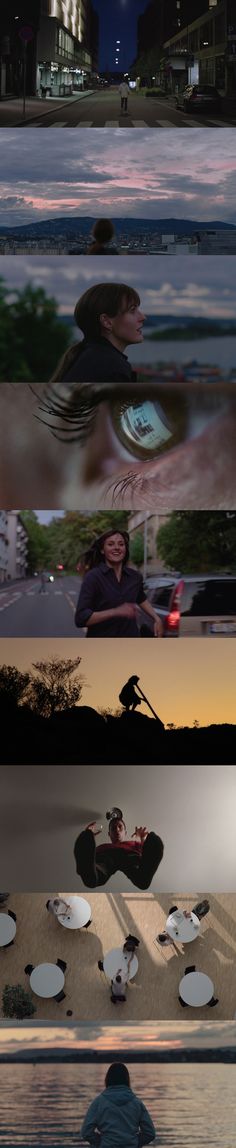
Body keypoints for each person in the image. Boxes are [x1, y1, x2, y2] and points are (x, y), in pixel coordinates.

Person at [49, 283, 145, 384]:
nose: (143, 317)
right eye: (132, 310)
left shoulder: (86, 357)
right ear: (107, 322)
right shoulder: (111, 367)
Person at [74, 530, 163, 637]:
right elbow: (80, 619)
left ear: (125, 549)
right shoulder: (93, 577)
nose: (117, 547)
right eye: (110, 544)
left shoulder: (135, 577)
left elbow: (141, 598)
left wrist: (156, 618)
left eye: (121, 544)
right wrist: (116, 611)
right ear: (102, 550)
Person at [74, 812, 164, 889]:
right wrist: (88, 836)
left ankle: (143, 878)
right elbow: (92, 855)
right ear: (109, 834)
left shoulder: (134, 844)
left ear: (125, 832)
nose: (117, 829)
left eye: (120, 827)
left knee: (136, 866)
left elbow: (145, 851)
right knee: (100, 869)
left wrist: (142, 837)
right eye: (113, 828)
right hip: (107, 855)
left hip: (129, 855)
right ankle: (89, 875)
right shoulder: (102, 847)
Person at [81, 1061, 156, 1147]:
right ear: (127, 1079)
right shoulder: (137, 1103)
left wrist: (101, 1142)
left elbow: (86, 1132)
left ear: (107, 1079)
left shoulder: (98, 1102)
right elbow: (150, 1134)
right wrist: (134, 1142)